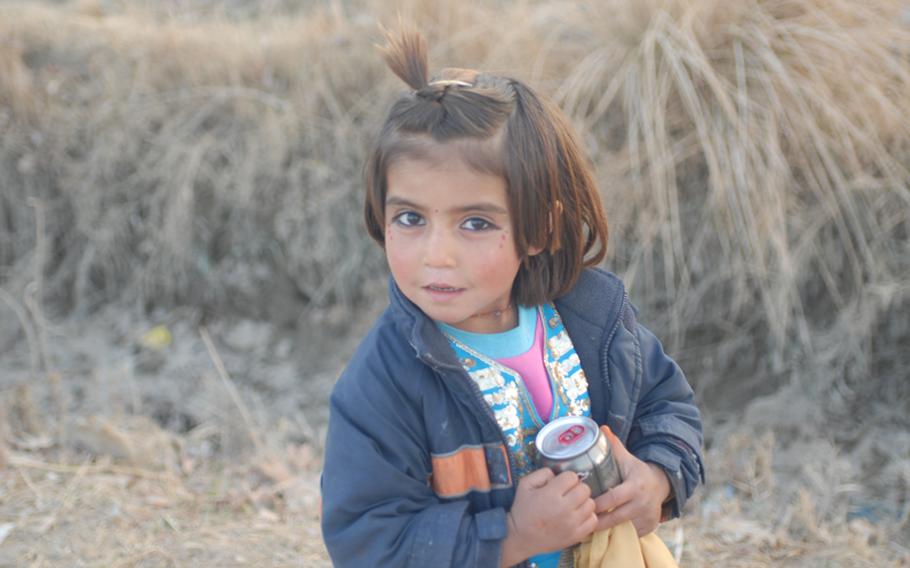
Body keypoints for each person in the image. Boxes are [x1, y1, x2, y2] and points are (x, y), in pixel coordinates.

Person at [320, 27, 704, 568]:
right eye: (410, 218)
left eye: (475, 222)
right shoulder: (382, 385)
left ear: (540, 229)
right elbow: (368, 545)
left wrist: (657, 478)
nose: (437, 254)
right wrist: (512, 537)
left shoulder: (589, 321)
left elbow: (668, 406)